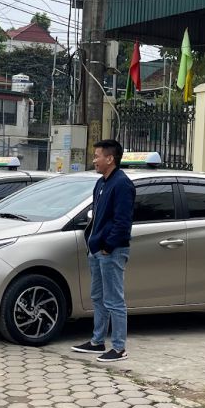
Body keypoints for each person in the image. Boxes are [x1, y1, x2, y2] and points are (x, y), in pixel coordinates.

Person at [72, 139, 135, 362]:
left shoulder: (122, 184)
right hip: (96, 249)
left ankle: (119, 348)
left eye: (97, 156)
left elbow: (122, 223)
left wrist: (108, 247)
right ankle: (97, 341)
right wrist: (92, 241)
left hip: (112, 251)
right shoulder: (101, 183)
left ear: (110, 158)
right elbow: (97, 215)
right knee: (98, 297)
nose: (94, 160)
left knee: (114, 300)